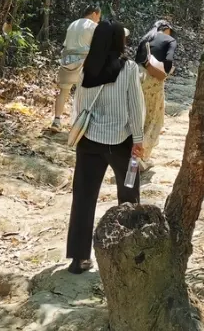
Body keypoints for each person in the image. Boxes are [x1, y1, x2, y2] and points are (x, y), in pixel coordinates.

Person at [66, 21, 144, 274]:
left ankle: (78, 259)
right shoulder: (129, 68)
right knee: (129, 195)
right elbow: (135, 105)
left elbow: (78, 104)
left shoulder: (86, 66)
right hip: (121, 142)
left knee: (83, 198)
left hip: (88, 141)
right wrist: (139, 139)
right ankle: (129, 252)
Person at [133, 20, 177, 172]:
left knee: (138, 115)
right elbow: (169, 61)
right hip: (153, 82)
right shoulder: (170, 40)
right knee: (152, 118)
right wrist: (165, 72)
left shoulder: (146, 38)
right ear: (166, 29)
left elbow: (136, 59)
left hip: (137, 77)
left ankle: (133, 153)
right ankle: (141, 157)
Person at [52, 5, 102, 131]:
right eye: (99, 17)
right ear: (95, 13)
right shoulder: (93, 26)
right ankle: (79, 124)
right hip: (84, 62)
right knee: (84, 93)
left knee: (64, 91)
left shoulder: (73, 24)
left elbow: (66, 44)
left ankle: (56, 121)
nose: (99, 20)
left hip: (67, 60)